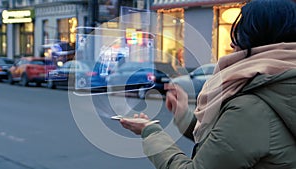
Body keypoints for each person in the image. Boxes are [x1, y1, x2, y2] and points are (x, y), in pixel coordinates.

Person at [119, 0, 296, 168]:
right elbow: (230, 144)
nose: (233, 44)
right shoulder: (281, 84)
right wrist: (183, 115)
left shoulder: (251, 108)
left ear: (257, 39)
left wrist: (151, 132)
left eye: (241, 34)